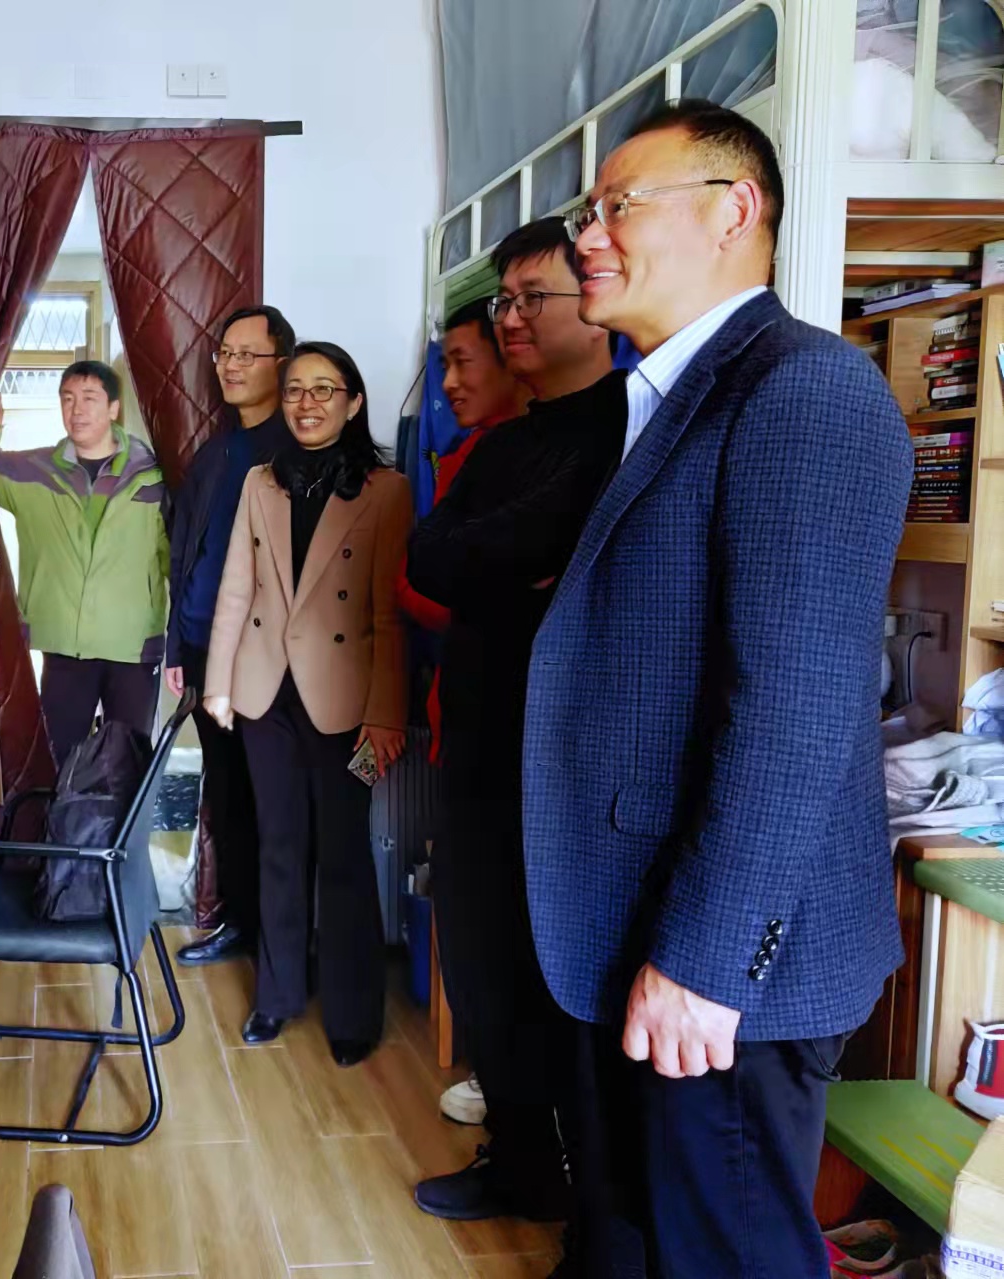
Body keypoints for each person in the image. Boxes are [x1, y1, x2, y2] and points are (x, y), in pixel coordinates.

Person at [533, 101, 910, 1278]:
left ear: (732, 209)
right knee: (635, 1244)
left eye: (616, 207)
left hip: (725, 969)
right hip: (633, 927)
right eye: (584, 211)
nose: (585, 235)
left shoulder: (802, 392)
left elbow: (794, 707)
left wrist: (703, 959)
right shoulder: (665, 400)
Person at [404, 216, 622, 1238]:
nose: (511, 319)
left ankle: (587, 1201)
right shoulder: (504, 443)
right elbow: (429, 557)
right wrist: (504, 566)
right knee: (483, 969)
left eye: (533, 298)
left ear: (597, 303)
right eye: (505, 301)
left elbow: (510, 547)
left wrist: (489, 560)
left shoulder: (626, 430)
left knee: (558, 985)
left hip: (571, 767)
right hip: (481, 752)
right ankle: (519, 1163)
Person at [205, 341, 412, 1066]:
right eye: (295, 388)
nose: (307, 402)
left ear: (354, 403)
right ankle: (277, 994)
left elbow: (388, 613)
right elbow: (237, 588)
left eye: (325, 389)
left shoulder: (387, 490)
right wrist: (220, 683)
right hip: (266, 694)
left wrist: (386, 714)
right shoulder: (260, 481)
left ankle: (354, 1012)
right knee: (279, 846)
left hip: (348, 702)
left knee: (346, 854)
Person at [394, 296, 528, 1130]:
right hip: (460, 708)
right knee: (471, 907)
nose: (447, 381)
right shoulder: (464, 453)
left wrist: (432, 585)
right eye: (443, 364)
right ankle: (496, 1071)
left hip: (509, 723)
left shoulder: (534, 458)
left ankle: (507, 1080)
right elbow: (428, 576)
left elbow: (436, 585)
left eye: (462, 362)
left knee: (502, 913)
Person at [165, 305, 297, 969]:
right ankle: (239, 922)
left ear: (283, 363)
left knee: (271, 799)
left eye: (248, 354)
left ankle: (280, 943)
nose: (231, 366)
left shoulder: (294, 449)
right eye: (225, 354)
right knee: (227, 793)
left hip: (263, 657)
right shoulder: (214, 453)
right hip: (201, 648)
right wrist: (174, 648)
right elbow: (182, 554)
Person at [0, 360, 169, 768]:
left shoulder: (153, 478)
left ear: (113, 408)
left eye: (90, 398)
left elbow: (173, 560)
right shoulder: (35, 472)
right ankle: (61, 815)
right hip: (63, 646)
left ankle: (124, 817)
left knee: (129, 765)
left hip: (132, 646)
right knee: (59, 762)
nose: (77, 409)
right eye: (68, 399)